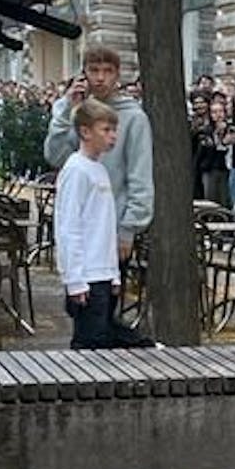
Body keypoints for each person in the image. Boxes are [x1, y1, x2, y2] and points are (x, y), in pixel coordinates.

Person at [55, 99, 153, 350]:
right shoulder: (76, 170)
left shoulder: (98, 169)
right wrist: (74, 280)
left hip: (103, 273)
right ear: (85, 132)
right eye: (106, 130)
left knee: (105, 336)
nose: (113, 136)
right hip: (86, 274)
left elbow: (104, 228)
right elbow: (69, 228)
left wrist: (113, 273)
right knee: (90, 343)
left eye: (114, 130)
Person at [44, 46, 154, 261]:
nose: (100, 78)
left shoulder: (133, 117)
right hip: (77, 224)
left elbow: (140, 175)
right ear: (84, 73)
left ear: (117, 75)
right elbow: (55, 156)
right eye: (94, 71)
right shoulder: (77, 109)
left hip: (112, 224)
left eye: (107, 71)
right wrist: (67, 109)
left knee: (105, 293)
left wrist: (129, 228)